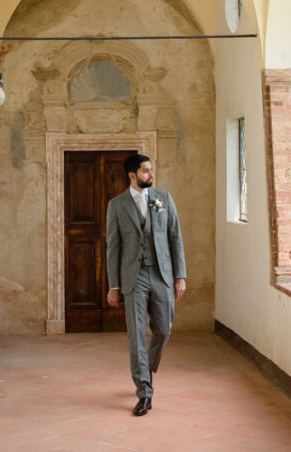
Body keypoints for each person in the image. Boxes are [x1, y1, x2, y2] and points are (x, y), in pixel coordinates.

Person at [106, 153, 187, 416]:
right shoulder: (116, 205)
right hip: (134, 277)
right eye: (145, 171)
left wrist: (180, 276)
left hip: (162, 273)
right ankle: (144, 391)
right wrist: (114, 285)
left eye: (150, 170)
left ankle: (147, 368)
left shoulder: (164, 199)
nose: (150, 175)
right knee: (137, 336)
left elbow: (175, 238)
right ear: (132, 175)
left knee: (163, 330)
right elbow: (112, 248)